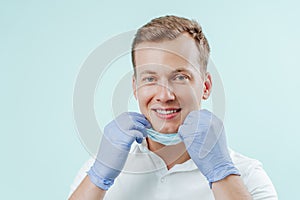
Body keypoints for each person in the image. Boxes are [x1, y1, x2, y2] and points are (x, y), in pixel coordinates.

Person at [69, 15, 277, 200]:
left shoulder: (248, 176)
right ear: (136, 87)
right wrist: (98, 178)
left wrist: (222, 174)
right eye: (150, 78)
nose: (165, 95)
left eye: (180, 77)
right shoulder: (99, 169)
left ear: (205, 86)